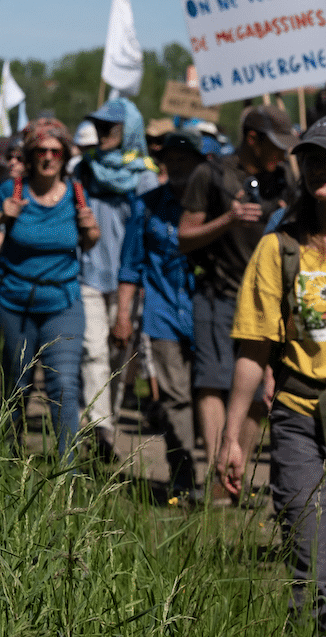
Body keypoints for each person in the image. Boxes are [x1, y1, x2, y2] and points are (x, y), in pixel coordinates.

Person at [219, 113, 326, 634]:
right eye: (312, 156)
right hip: (301, 428)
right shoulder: (279, 250)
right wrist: (234, 436)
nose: (321, 166)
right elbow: (253, 351)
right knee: (312, 583)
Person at [179, 104, 298, 497]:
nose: (282, 153)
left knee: (263, 392)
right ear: (252, 139)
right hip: (218, 293)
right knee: (212, 383)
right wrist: (226, 220)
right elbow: (185, 236)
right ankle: (215, 475)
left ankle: (235, 473)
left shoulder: (285, 179)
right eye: (275, 144)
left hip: (270, 300)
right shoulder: (211, 174)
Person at [0, 117, 99, 459]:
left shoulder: (76, 194)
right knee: (17, 386)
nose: (48, 156)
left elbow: (91, 239)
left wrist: (90, 227)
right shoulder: (14, 191)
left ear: (65, 155)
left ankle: (66, 472)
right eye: (41, 150)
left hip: (62, 303)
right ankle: (10, 455)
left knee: (64, 385)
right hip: (15, 304)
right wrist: (1, 216)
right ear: (30, 154)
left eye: (56, 151)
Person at [114, 130, 204, 494]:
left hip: (208, 313)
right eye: (174, 160)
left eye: (187, 160)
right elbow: (130, 266)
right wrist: (123, 316)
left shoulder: (214, 204)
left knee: (210, 394)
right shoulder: (146, 205)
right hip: (163, 313)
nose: (180, 167)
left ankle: (218, 473)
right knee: (174, 397)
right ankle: (184, 478)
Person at [72, 98, 156, 461]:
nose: (102, 134)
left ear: (130, 131)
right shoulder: (83, 170)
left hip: (128, 279)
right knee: (92, 350)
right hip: (87, 273)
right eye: (100, 127)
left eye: (111, 128)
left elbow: (146, 235)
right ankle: (101, 430)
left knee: (121, 356)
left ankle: (103, 421)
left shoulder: (144, 177)